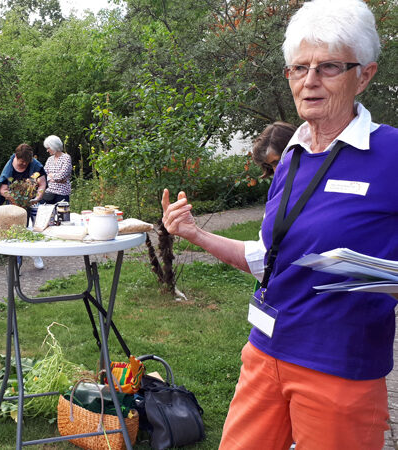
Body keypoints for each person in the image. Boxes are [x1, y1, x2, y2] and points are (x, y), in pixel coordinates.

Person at [161, 1, 396, 448]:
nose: (309, 81)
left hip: (339, 370)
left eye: (328, 67)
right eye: (298, 68)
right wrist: (194, 232)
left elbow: (363, 270)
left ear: (363, 75)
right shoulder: (291, 157)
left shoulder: (391, 154)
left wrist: (352, 270)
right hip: (265, 353)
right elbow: (271, 259)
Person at [0, 143, 47, 269]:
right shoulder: (9, 168)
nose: (24, 164)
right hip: (13, 205)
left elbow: (42, 184)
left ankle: (35, 254)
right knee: (16, 232)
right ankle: (17, 262)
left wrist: (37, 197)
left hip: (31, 203)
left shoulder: (35, 165)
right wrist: (14, 199)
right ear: (16, 157)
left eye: (27, 162)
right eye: (22, 162)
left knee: (33, 230)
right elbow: (3, 189)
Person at [42, 135, 72, 203]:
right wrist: (57, 178)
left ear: (54, 146)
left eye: (48, 148)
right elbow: (44, 175)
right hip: (49, 193)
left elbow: (62, 176)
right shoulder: (49, 159)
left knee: (61, 213)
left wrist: (51, 176)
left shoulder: (66, 158)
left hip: (62, 194)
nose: (47, 150)